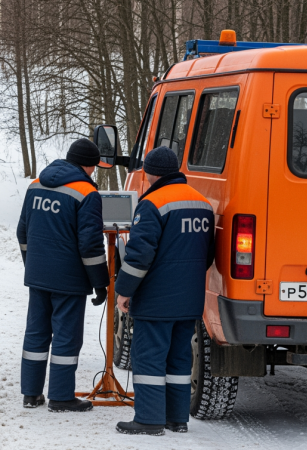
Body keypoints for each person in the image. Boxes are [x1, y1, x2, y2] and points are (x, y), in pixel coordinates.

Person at [114, 146, 215, 435]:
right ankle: (176, 418)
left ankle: (148, 419)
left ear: (149, 173)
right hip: (189, 298)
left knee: (149, 356)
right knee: (180, 358)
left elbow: (139, 255)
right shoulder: (202, 203)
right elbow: (207, 255)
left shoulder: (152, 204)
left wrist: (124, 290)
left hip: (157, 299)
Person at [16, 138, 109, 413]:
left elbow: (23, 232)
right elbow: (90, 245)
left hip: (38, 275)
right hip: (69, 280)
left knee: (36, 333)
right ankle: (60, 397)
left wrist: (31, 264)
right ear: (90, 165)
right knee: (67, 336)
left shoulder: (36, 185)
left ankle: (31, 395)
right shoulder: (86, 193)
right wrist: (100, 283)